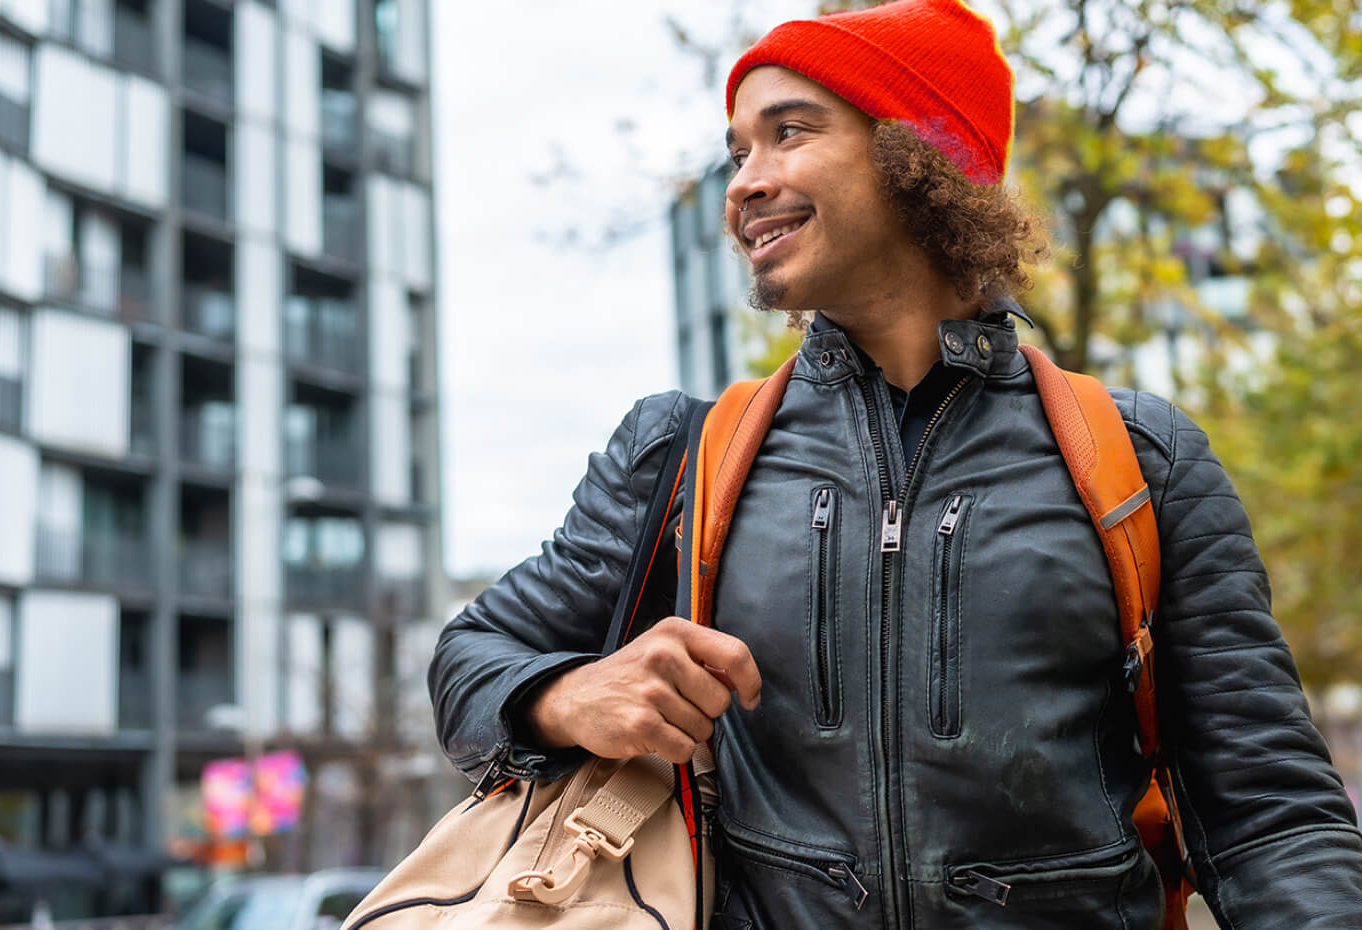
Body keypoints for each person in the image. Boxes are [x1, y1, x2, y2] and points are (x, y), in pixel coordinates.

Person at [428, 1, 1362, 926]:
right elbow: (471, 657)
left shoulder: (1139, 458)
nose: (745, 183)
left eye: (788, 132)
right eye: (738, 152)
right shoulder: (678, 452)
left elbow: (1269, 816)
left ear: (919, 156)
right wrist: (562, 696)